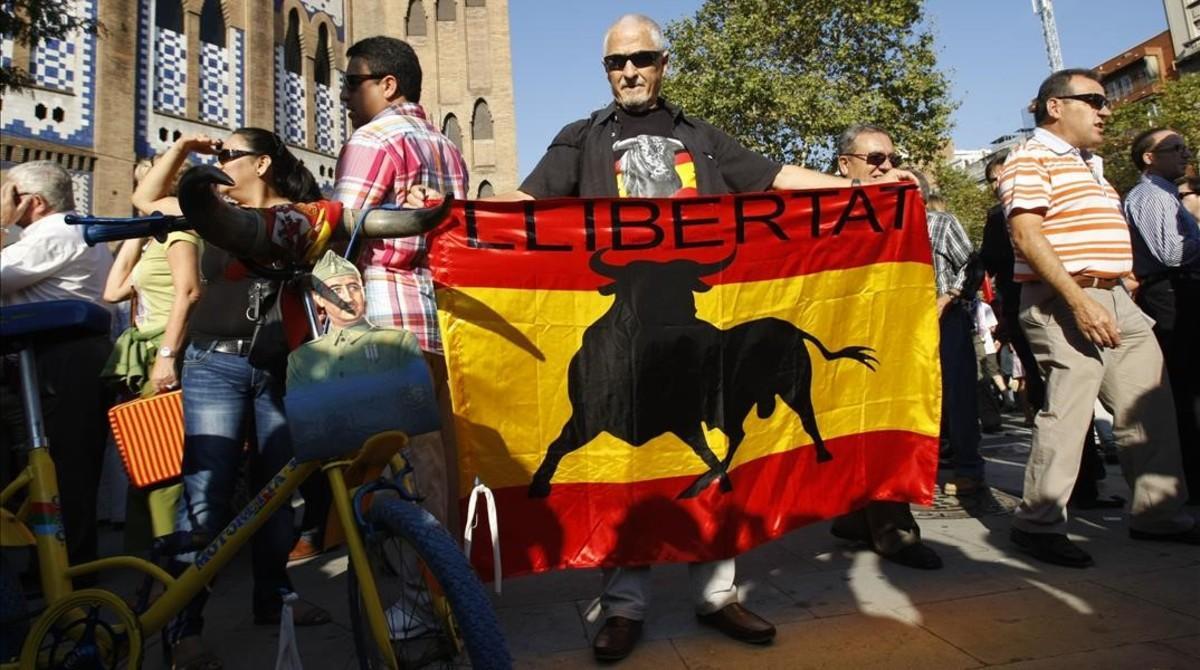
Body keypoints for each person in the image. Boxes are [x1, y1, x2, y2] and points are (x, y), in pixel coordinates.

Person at [412, 14, 916, 662]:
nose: (628, 71)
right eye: (616, 62)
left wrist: (858, 190)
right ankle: (624, 609)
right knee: (625, 470)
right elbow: (527, 201)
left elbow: (775, 180)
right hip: (625, 339)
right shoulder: (580, 139)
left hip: (693, 330)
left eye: (641, 58)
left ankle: (719, 596)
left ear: (662, 63)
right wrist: (456, 210)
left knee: (714, 439)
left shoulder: (700, 137)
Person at [132, 130, 333, 669]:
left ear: (262, 163)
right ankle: (184, 624)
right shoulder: (208, 207)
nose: (218, 163)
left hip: (278, 365)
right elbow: (144, 200)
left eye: (227, 155)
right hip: (213, 363)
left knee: (277, 492)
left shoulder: (301, 216)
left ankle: (274, 598)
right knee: (207, 491)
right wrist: (179, 152)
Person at [997, 68, 1198, 570]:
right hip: (1063, 299)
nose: (1106, 110)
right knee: (1069, 412)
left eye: (1105, 101)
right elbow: (1025, 235)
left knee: (1149, 411)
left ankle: (1158, 514)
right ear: (1055, 107)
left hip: (1116, 301)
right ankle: (1037, 523)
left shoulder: (1092, 165)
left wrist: (1120, 282)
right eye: (1093, 100)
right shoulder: (1031, 157)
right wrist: (1080, 300)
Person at [332, 35, 466, 538]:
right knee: (432, 453)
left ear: (387, 85)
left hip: (386, 313)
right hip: (439, 316)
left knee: (398, 462)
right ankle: (445, 584)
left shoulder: (373, 140)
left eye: (351, 83)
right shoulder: (447, 147)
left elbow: (341, 228)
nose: (344, 96)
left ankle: (419, 593)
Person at [828, 134, 948, 571]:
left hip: (891, 334)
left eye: (891, 158)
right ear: (845, 165)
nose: (885, 166)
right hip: (843, 337)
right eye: (875, 158)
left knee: (888, 427)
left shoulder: (898, 202)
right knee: (857, 432)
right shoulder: (821, 209)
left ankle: (883, 523)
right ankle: (872, 520)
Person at [1, 160, 114, 566]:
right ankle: (60, 564)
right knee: (65, 466)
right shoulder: (74, 230)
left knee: (65, 468)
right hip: (67, 356)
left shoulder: (54, 233)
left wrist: (1, 222)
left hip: (61, 357)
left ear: (32, 201)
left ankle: (64, 570)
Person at [103, 155, 202, 552]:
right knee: (144, 459)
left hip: (166, 351)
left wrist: (166, 354)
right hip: (145, 355)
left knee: (161, 462)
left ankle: (171, 559)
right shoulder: (156, 238)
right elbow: (112, 291)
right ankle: (149, 557)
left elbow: (189, 292)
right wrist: (137, 234)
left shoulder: (181, 229)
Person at [1122, 128, 1199, 502]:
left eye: (1185, 147)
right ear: (1149, 158)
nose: (1184, 154)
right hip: (1169, 292)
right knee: (1184, 392)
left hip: (1181, 288)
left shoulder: (1169, 196)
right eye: (1174, 149)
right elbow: (1170, 253)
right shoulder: (1151, 196)